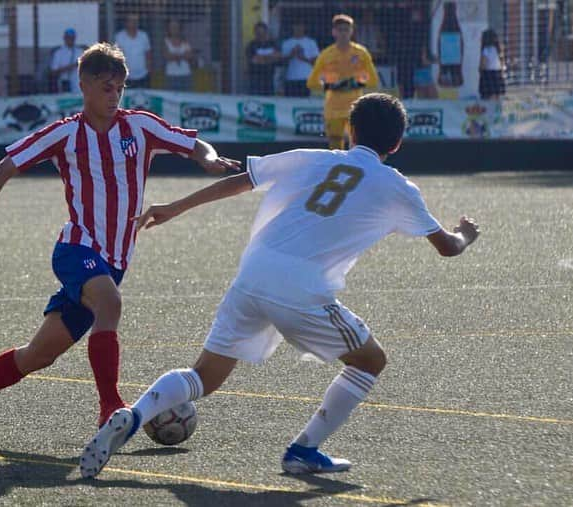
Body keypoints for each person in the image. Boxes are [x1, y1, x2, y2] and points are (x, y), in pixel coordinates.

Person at [79, 92, 480, 479]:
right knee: (370, 361)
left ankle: (134, 414)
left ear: (350, 132)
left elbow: (241, 180)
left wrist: (175, 206)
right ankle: (303, 451)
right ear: (397, 143)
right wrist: (465, 234)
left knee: (204, 377)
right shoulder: (398, 186)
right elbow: (447, 247)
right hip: (300, 289)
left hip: (253, 272)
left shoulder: (313, 158)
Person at [0, 42, 240, 439]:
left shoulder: (139, 126)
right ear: (84, 85)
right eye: (106, 86)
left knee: (37, 356)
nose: (114, 94)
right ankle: (110, 409)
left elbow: (194, 145)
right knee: (110, 302)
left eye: (120, 87)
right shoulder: (65, 133)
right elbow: (7, 165)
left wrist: (208, 159)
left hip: (114, 261)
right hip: (77, 247)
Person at [307, 14, 379, 150]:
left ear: (352, 31)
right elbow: (312, 82)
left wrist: (355, 83)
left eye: (346, 29)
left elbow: (373, 80)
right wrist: (331, 84)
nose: (343, 33)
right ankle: (338, 169)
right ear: (333, 32)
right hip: (333, 108)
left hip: (355, 106)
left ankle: (355, 169)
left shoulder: (361, 53)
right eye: (340, 30)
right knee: (335, 145)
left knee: (357, 143)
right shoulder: (326, 54)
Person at [281, 22, 319, 97]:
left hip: (306, 78)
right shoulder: (286, 43)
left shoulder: (311, 42)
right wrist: (291, 55)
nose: (298, 28)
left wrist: (303, 57)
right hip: (291, 78)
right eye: (296, 26)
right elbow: (282, 62)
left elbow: (316, 62)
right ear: (293, 27)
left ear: (304, 27)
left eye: (300, 26)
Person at [114, 14, 152, 88]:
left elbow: (148, 53)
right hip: (126, 76)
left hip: (143, 75)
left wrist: (149, 70)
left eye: (136, 21)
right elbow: (118, 56)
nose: (134, 23)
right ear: (126, 23)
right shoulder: (119, 36)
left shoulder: (143, 36)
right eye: (132, 21)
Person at [246, 22, 281, 96]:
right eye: (258, 33)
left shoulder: (273, 43)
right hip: (255, 80)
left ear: (266, 32)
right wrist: (270, 57)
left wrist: (261, 58)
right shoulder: (251, 45)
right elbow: (254, 60)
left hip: (269, 79)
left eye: (262, 33)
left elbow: (277, 57)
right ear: (255, 33)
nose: (261, 35)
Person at [49, 28, 85, 94]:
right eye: (68, 37)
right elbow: (53, 72)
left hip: (78, 87)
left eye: (72, 38)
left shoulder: (80, 51)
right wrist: (72, 66)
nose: (70, 40)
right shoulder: (58, 53)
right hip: (64, 84)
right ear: (65, 38)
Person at [163, 19, 194, 92]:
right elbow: (167, 56)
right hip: (171, 75)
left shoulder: (185, 41)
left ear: (180, 28)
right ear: (169, 29)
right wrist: (182, 56)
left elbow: (190, 56)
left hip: (185, 75)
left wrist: (174, 56)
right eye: (172, 27)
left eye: (176, 27)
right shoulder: (165, 41)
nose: (174, 29)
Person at [479, 29, 505, 100]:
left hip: (488, 74)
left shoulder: (486, 50)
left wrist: (480, 69)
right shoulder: (498, 49)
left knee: (489, 96)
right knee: (497, 95)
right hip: (498, 73)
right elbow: (502, 62)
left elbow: (483, 64)